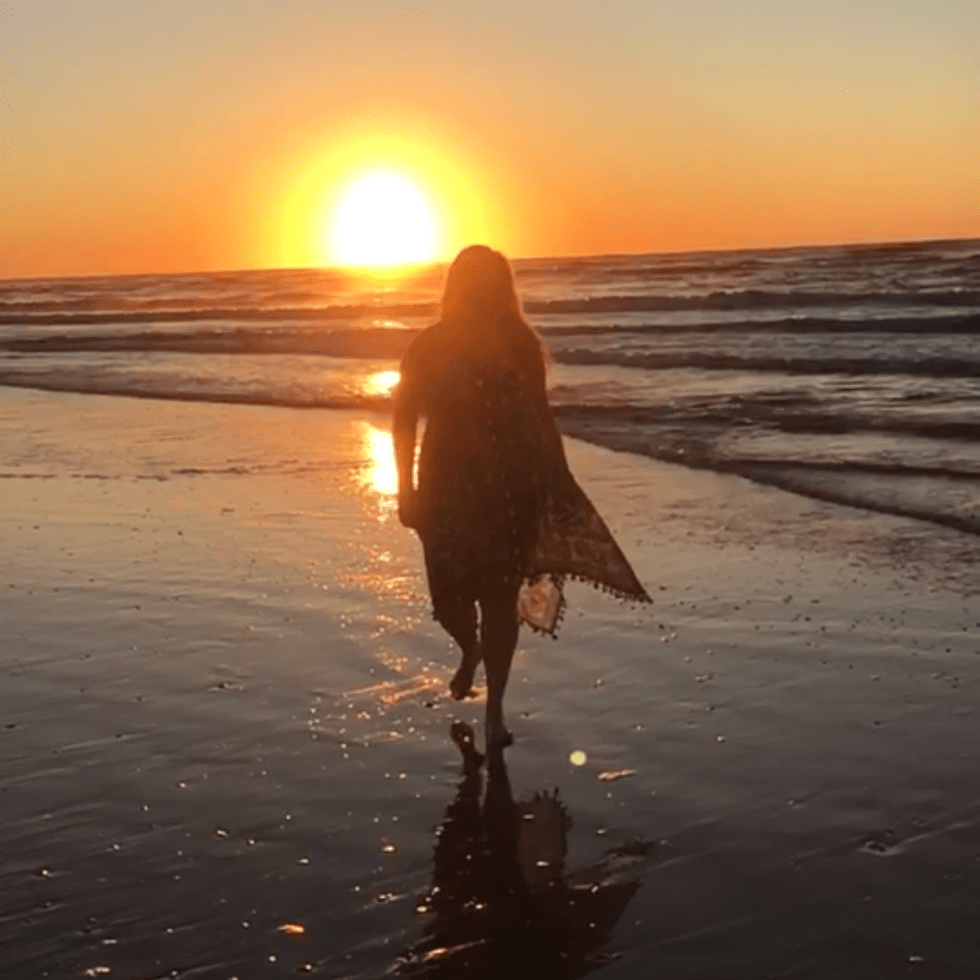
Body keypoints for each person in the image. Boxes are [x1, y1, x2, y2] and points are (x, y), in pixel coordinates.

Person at [393, 245, 649, 748]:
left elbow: (540, 418)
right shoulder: (429, 346)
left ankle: (495, 710)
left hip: (509, 487)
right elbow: (403, 421)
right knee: (449, 596)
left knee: (497, 598)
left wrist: (559, 477)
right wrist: (405, 488)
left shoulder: (519, 343)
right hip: (445, 487)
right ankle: (470, 650)